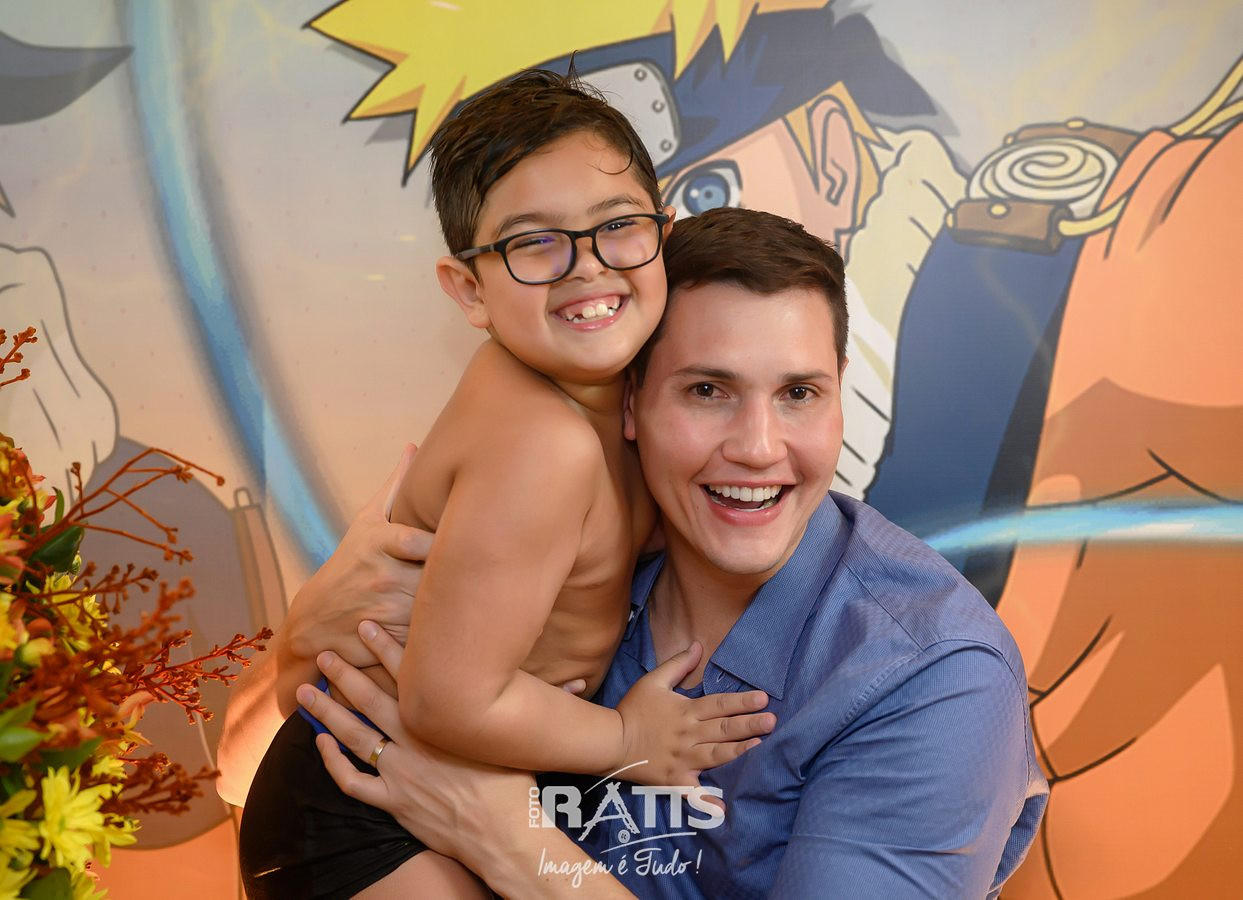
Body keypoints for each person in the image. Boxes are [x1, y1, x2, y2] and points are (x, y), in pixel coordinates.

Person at [261, 207, 1049, 897]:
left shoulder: (930, 675)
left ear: (839, 391)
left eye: (798, 394)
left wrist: (502, 835)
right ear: (630, 400)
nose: (757, 447)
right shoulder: (558, 540)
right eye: (706, 390)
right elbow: (256, 770)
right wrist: (303, 641)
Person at [230, 72, 774, 899]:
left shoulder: (618, 401)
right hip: (359, 813)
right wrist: (626, 738)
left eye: (617, 226)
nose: (586, 266)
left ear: (661, 236)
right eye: (534, 243)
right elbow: (448, 700)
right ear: (469, 290)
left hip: (450, 784)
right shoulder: (541, 442)